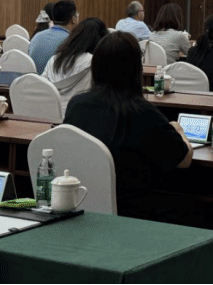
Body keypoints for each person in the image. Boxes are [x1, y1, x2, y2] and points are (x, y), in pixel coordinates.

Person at [64, 32, 193, 220]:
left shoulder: (77, 105)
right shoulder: (143, 113)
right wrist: (178, 130)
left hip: (82, 207)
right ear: (136, 69)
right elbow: (184, 160)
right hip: (132, 214)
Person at [42, 17, 108, 113]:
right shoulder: (95, 62)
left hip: (50, 115)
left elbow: (42, 87)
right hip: (81, 117)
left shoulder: (54, 60)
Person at [28, 0, 78, 74]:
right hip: (55, 81)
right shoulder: (71, 41)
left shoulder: (36, 36)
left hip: (31, 80)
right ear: (74, 19)